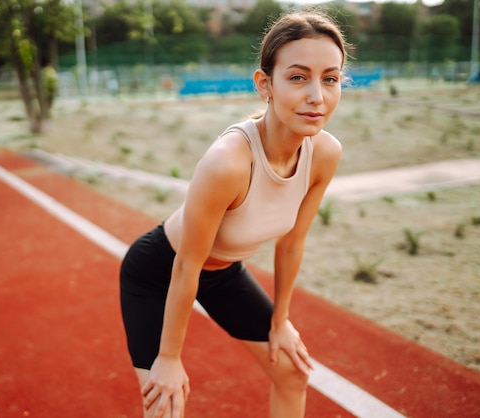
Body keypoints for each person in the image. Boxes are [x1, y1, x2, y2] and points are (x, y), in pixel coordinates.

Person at [120, 10, 348, 418]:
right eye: (298, 77)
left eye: (330, 79)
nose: (317, 95)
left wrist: (281, 321)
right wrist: (169, 357)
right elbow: (186, 264)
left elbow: (293, 243)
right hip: (159, 270)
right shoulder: (228, 162)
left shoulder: (325, 153)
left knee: (292, 373)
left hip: (224, 273)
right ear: (266, 85)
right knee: (166, 402)